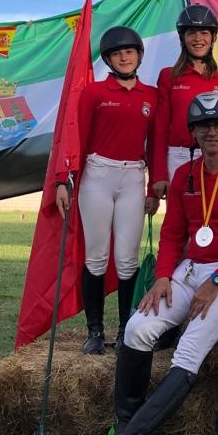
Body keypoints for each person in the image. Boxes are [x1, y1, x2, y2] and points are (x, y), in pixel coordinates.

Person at [87, 91, 218, 435]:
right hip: (190, 268)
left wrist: (217, 282)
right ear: (193, 132)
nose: (212, 132)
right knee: (136, 330)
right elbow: (172, 234)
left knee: (188, 351)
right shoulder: (185, 174)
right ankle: (126, 423)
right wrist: (163, 276)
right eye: (203, 126)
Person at [55, 26, 159, 354]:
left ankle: (127, 329)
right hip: (97, 175)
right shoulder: (94, 93)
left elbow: (155, 145)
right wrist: (63, 178)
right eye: (117, 53)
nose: (124, 57)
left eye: (129, 52)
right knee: (97, 257)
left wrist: (154, 186)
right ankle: (95, 332)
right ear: (109, 59)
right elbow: (77, 136)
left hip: (133, 178)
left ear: (139, 55)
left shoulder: (151, 96)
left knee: (127, 260)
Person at [151, 4, 218, 200]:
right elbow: (160, 128)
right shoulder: (168, 76)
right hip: (179, 158)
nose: (198, 39)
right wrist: (159, 174)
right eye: (191, 33)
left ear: (213, 37)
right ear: (182, 38)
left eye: (204, 33)